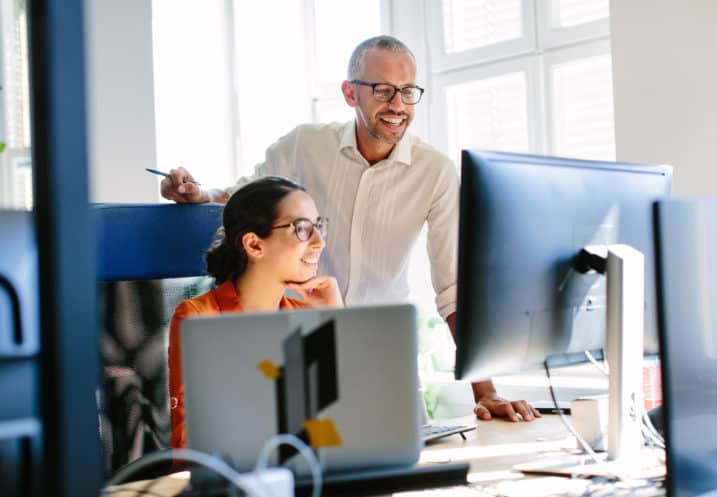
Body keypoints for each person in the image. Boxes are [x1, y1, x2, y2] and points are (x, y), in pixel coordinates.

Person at [161, 35, 540, 423]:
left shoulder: (435, 171)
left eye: (408, 92)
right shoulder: (304, 145)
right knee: (320, 455)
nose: (398, 105)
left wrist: (486, 390)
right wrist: (199, 193)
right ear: (350, 93)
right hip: (302, 352)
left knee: (402, 464)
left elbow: (453, 289)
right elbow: (248, 196)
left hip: (382, 359)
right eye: (383, 90)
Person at [168, 176, 342, 448]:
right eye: (302, 229)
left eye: (319, 227)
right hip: (233, 483)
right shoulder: (200, 317)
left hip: (305, 477)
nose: (320, 242)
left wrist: (333, 320)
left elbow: (333, 430)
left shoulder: (305, 314)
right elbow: (192, 446)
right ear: (254, 245)